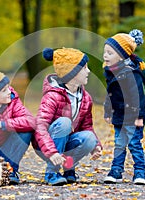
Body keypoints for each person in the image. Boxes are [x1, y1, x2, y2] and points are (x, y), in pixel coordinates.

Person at [32, 47, 102, 186]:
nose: (88, 71)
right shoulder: (52, 96)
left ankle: (68, 167)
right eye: (84, 68)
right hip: (46, 145)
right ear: (72, 72)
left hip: (66, 142)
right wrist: (51, 152)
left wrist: (96, 146)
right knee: (64, 122)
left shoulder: (86, 97)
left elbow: (87, 126)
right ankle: (52, 172)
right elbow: (40, 126)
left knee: (89, 138)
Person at [102, 29, 145, 185]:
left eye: (110, 53)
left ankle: (140, 173)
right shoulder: (112, 72)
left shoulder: (132, 73)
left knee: (134, 144)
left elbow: (138, 96)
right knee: (119, 143)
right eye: (105, 52)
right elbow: (110, 94)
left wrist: (139, 117)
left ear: (122, 55)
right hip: (119, 115)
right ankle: (116, 171)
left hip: (133, 116)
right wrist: (107, 111)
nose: (105, 56)